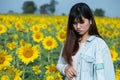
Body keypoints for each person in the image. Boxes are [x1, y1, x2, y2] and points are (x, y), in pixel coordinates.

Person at [56, 2, 115, 80]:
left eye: (81, 22)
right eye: (74, 23)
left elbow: (109, 74)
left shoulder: (99, 44)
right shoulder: (69, 42)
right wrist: (65, 68)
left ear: (90, 21)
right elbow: (60, 63)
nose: (78, 27)